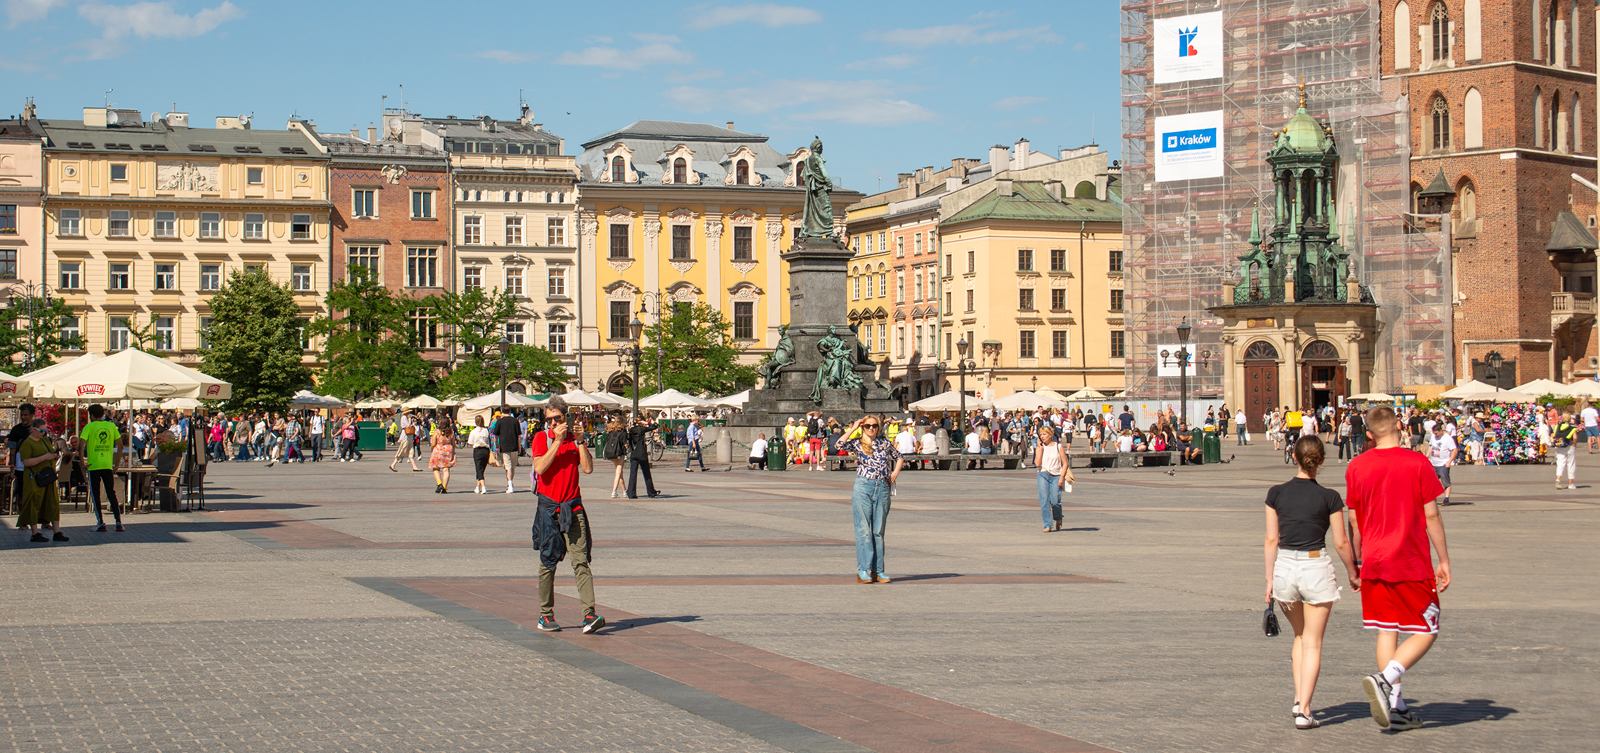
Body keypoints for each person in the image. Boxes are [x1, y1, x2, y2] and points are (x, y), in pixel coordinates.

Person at [1344, 405, 1452, 731]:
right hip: (1409, 559)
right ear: (1399, 426)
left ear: (1370, 432)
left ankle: (1397, 706)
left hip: (1375, 560)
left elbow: (1353, 518)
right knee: (1426, 628)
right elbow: (1431, 514)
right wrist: (1444, 559)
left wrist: (1357, 561)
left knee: (1387, 628)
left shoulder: (1357, 466)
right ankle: (1385, 680)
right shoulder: (1417, 462)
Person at [1265, 435, 1359, 729]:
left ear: (1294, 457)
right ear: (1321, 461)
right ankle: (1305, 710)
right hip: (1315, 565)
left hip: (1284, 566)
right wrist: (1353, 572)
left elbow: (1270, 539)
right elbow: (1341, 542)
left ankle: (1297, 699)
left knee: (1300, 637)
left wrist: (1269, 579)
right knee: (1314, 644)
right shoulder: (1330, 497)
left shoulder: (1276, 493)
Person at [529, 397, 603, 634]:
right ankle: (546, 615)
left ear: (566, 417)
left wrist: (580, 441)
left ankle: (589, 614)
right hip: (549, 508)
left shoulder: (574, 439)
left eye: (557, 419)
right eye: (548, 419)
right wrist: (557, 441)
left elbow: (588, 468)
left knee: (581, 560)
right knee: (548, 562)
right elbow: (539, 468)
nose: (552, 423)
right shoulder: (542, 438)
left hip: (573, 508)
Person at [839, 416, 902, 583]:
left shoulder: (884, 443)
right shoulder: (858, 443)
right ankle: (863, 569)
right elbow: (839, 444)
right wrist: (854, 427)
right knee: (864, 531)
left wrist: (895, 473)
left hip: (882, 487)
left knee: (878, 532)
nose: (871, 428)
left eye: (874, 426)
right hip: (863, 487)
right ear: (863, 427)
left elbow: (899, 456)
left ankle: (878, 570)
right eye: (867, 426)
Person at [78, 404, 124, 533]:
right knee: (111, 493)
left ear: (91, 415)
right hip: (107, 464)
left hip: (94, 465)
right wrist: (117, 463)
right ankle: (118, 522)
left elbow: (81, 445)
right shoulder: (111, 426)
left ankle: (101, 522)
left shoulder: (89, 427)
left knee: (95, 494)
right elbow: (120, 445)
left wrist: (82, 462)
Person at [19, 419, 66, 543]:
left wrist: (55, 456)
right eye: (41, 430)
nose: (43, 433)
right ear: (33, 429)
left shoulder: (45, 440)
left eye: (45, 430)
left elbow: (50, 454)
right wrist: (44, 458)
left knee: (53, 502)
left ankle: (57, 532)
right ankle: (35, 533)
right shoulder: (27, 443)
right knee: (34, 503)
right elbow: (26, 462)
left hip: (48, 476)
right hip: (34, 477)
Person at [1034, 426, 1072, 533]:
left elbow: (1065, 463)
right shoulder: (1039, 447)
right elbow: (1037, 463)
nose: (1042, 437)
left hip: (1056, 475)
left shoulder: (1058, 446)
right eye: (1041, 435)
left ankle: (1058, 517)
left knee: (1055, 501)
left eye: (1044, 434)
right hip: (1043, 474)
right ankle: (1047, 525)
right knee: (1044, 500)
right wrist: (1040, 449)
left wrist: (1061, 477)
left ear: (1050, 435)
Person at [625, 417, 662, 499]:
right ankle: (651, 491)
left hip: (634, 453)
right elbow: (655, 426)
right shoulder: (642, 429)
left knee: (633, 474)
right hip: (642, 453)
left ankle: (631, 492)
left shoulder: (631, 430)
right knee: (646, 473)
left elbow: (629, 442)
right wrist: (646, 423)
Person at [1426, 423, 1458, 505]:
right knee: (1430, 482)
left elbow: (1454, 450)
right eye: (1434, 433)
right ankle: (1430, 498)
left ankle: (1446, 498)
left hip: (1443, 464)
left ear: (1441, 431)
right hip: (1433, 463)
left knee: (1446, 482)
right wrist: (1427, 455)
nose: (1435, 435)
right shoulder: (1433, 436)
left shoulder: (1448, 438)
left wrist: (1449, 461)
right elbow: (1430, 446)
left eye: (1436, 433)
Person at [492, 410, 522, 493]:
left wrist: (496, 444)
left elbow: (496, 435)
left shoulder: (500, 421)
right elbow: (519, 436)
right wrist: (519, 446)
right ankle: (510, 483)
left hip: (504, 446)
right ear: (510, 411)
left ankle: (510, 484)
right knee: (512, 466)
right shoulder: (515, 421)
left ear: (502, 411)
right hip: (514, 446)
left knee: (507, 466)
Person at [428, 419, 457, 494]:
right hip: (448, 451)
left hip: (438, 450)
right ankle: (444, 487)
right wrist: (453, 451)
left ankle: (439, 483)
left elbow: (433, 443)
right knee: (446, 469)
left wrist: (432, 450)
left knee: (436, 468)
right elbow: (453, 443)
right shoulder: (451, 432)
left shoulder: (437, 432)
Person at [602, 415, 628, 496]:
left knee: (620, 473)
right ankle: (614, 491)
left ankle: (625, 491)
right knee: (618, 472)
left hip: (612, 453)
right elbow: (625, 444)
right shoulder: (623, 432)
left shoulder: (611, 432)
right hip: (620, 453)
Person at [1552, 411, 1579, 490]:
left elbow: (1554, 435)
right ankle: (1570, 484)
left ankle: (1558, 479)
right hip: (1568, 446)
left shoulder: (1558, 426)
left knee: (1560, 463)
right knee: (1571, 464)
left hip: (1559, 446)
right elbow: (1575, 438)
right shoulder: (1572, 427)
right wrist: (1575, 445)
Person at [468, 416, 492, 494]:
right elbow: (489, 440)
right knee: (481, 469)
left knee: (479, 469)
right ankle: (477, 487)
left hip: (477, 450)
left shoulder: (474, 431)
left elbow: (470, 442)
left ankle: (483, 487)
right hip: (486, 450)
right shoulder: (486, 430)